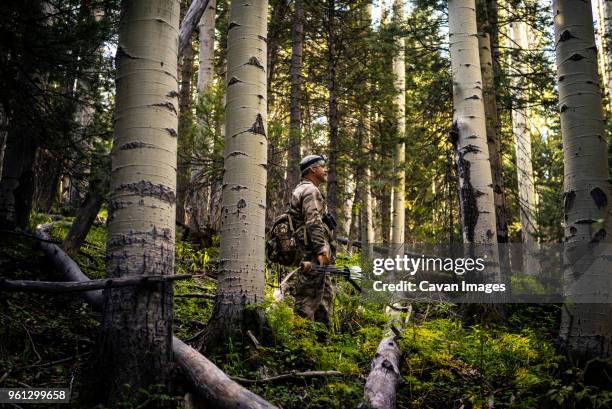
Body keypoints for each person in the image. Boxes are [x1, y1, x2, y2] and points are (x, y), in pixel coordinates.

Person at [288, 154, 337, 326]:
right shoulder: (310, 191)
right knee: (307, 300)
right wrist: (321, 251)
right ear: (312, 170)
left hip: (310, 253)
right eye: (322, 166)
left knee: (324, 296)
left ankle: (320, 343)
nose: (325, 169)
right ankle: (303, 343)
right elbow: (313, 222)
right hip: (313, 255)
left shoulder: (302, 189)